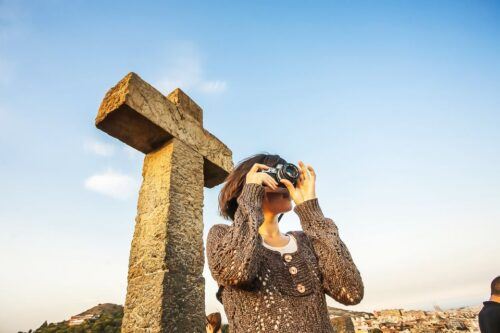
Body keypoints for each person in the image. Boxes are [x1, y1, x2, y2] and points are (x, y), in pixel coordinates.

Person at [206, 153, 364, 332]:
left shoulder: (307, 241)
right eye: (275, 174)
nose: (286, 182)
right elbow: (235, 271)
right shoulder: (221, 235)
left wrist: (311, 210)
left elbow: (351, 292)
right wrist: (251, 196)